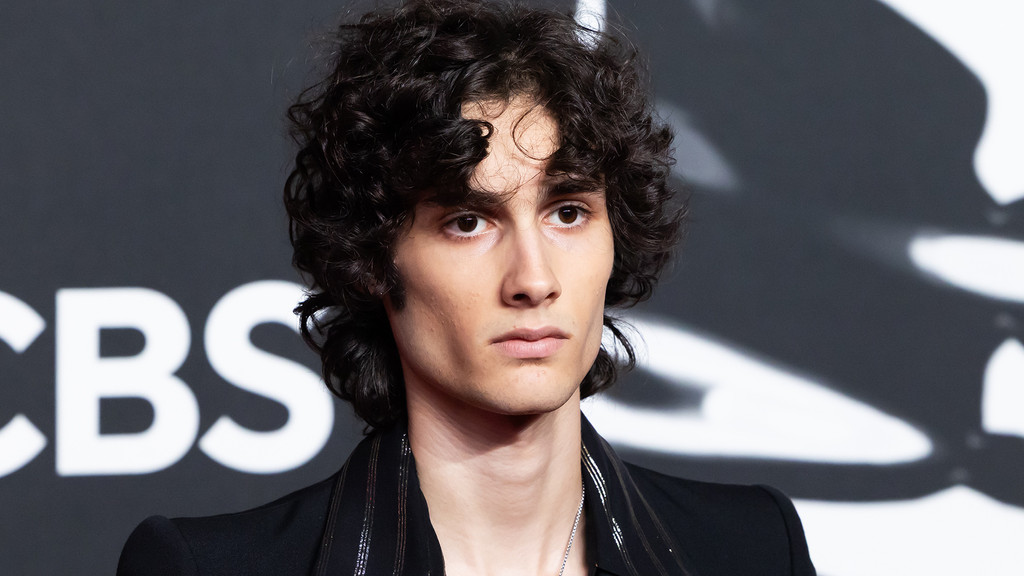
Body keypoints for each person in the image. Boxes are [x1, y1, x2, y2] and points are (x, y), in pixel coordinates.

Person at [118, 1, 816, 574]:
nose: (534, 280)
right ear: (372, 258)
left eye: (567, 212)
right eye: (467, 221)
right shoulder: (206, 567)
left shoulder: (750, 549)